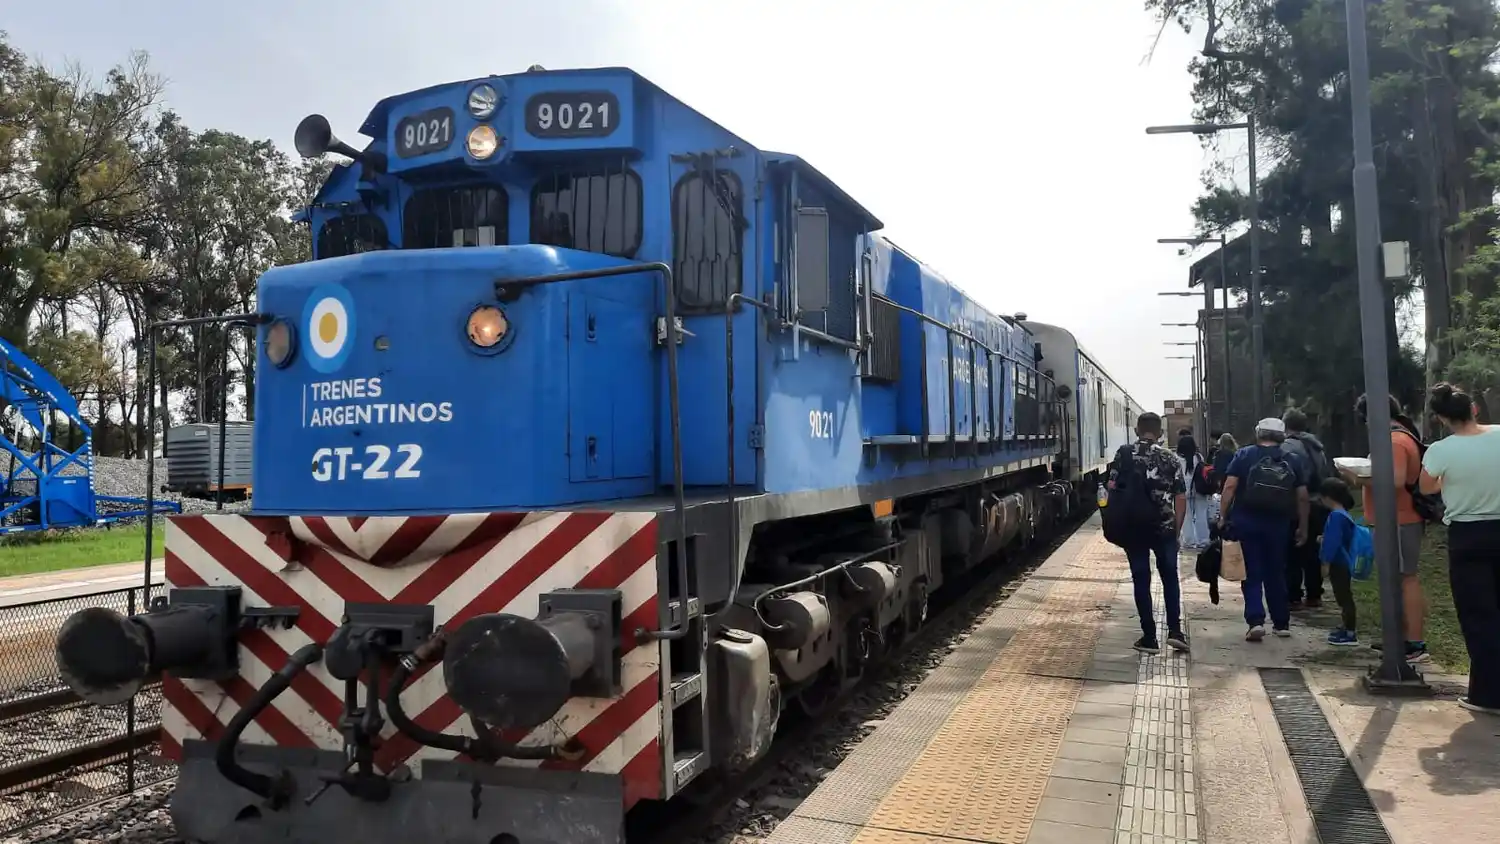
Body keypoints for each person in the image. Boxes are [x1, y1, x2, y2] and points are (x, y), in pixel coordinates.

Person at [1417, 383, 1500, 715]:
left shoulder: (1441, 451)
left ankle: (1488, 694)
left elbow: (1427, 487)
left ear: (1441, 418)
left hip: (1469, 534)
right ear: (1474, 409)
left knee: (1479, 615)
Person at [1218, 418, 1310, 641]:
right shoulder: (1293, 459)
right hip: (1278, 524)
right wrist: (1303, 526)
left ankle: (1256, 621)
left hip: (1246, 521)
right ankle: (1281, 623)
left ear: (1258, 432)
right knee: (1276, 572)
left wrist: (1222, 516)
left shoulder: (1244, 455)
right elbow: (1303, 497)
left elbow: (1230, 486)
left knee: (1250, 572)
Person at [1355, 393, 1429, 663]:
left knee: (1406, 577)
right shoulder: (1399, 436)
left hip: (1399, 519)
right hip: (1393, 519)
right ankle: (1398, 638)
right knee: (1396, 579)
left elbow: (1395, 480)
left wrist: (1358, 477)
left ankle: (1415, 642)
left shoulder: (1395, 440)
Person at [1107, 412, 1190, 654]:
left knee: (1141, 579)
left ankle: (1149, 637)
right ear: (1161, 433)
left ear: (1136, 430)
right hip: (1164, 528)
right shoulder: (1171, 458)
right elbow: (1180, 497)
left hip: (1133, 527)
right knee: (1169, 578)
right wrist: (1176, 528)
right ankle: (1175, 632)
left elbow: (1112, 487)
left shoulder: (1123, 454)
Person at [1281, 408, 1333, 610]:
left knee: (1292, 550)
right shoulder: (1317, 446)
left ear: (1286, 426)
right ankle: (1314, 594)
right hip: (1319, 502)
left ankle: (1293, 595)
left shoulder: (1287, 447)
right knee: (1312, 550)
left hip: (1296, 502)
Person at [1317, 477, 1361, 646]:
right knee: (1343, 596)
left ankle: (1350, 632)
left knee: (1344, 597)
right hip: (1344, 560)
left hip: (1338, 562)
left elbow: (1333, 542)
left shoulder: (1335, 516)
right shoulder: (1344, 515)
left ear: (1328, 497)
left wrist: (1325, 563)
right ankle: (1346, 627)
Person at [1177, 434, 1211, 549]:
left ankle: (1189, 541)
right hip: (1199, 489)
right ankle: (1203, 540)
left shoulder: (1177, 458)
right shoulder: (1199, 457)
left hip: (1183, 490)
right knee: (1201, 515)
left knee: (1187, 516)